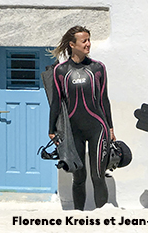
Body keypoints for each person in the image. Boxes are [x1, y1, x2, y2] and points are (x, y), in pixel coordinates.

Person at [49, 26, 115, 210]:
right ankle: (78, 220)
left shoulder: (97, 68)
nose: (88, 44)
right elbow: (56, 102)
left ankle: (102, 219)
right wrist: (51, 130)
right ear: (72, 44)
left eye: (89, 40)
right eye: (84, 41)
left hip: (98, 129)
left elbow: (104, 100)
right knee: (78, 177)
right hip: (73, 131)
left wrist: (110, 128)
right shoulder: (60, 71)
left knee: (98, 176)